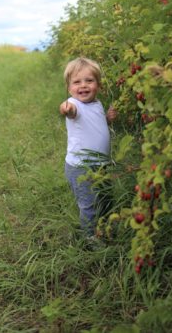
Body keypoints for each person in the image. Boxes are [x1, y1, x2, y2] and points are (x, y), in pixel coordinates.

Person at [59, 57, 117, 242]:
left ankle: (107, 227)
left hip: (101, 164)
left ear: (98, 86)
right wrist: (65, 108)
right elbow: (70, 111)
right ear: (69, 89)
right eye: (77, 82)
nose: (83, 86)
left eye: (89, 81)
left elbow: (96, 124)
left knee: (106, 198)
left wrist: (107, 118)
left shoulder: (97, 104)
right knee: (88, 204)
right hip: (81, 167)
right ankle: (90, 238)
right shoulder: (74, 105)